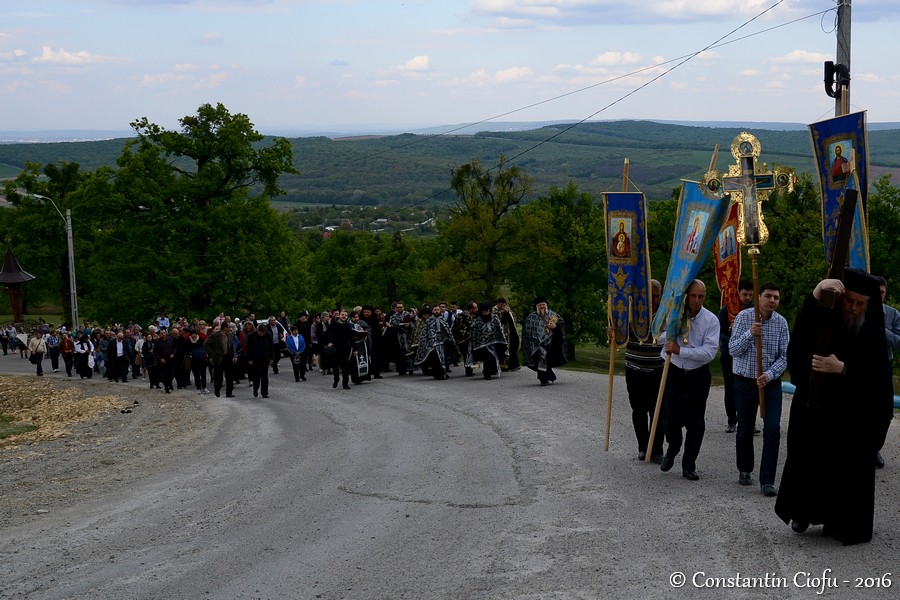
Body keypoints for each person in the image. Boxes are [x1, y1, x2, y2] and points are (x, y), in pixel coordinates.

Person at [775, 270, 894, 545]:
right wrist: (815, 294)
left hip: (851, 418)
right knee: (809, 460)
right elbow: (801, 339)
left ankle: (839, 522)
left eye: (860, 304)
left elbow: (878, 379)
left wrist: (843, 368)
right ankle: (803, 513)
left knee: (846, 472)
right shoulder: (826, 318)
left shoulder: (872, 332)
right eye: (849, 301)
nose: (853, 308)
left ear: (869, 305)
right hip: (816, 409)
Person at [728, 282, 789, 496]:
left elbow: (784, 357)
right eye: (768, 296)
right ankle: (745, 468)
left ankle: (768, 479)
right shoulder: (744, 318)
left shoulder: (781, 323)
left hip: (770, 384)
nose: (772, 301)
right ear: (759, 297)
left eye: (776, 298)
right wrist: (749, 334)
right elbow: (732, 350)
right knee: (745, 427)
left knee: (772, 430)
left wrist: (769, 375)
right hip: (745, 381)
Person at [658, 279, 720, 481]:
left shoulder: (711, 320)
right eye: (693, 296)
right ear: (686, 296)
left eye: (700, 296)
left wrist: (681, 350)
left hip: (697, 375)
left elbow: (709, 352)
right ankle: (673, 447)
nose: (696, 300)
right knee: (670, 420)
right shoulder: (674, 314)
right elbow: (658, 334)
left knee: (696, 423)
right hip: (674, 371)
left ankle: (689, 463)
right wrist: (668, 338)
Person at [619, 279, 665, 463]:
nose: (654, 300)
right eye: (650, 296)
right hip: (635, 368)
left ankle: (657, 449)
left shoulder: (665, 313)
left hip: (658, 368)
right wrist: (613, 331)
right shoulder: (631, 312)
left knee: (658, 411)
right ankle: (642, 446)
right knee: (639, 409)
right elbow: (620, 335)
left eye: (656, 296)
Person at [719, 280, 754, 433]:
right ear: (738, 293)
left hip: (746, 355)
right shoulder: (727, 309)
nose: (747, 297)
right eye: (745, 294)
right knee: (730, 388)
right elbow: (719, 332)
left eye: (750, 295)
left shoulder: (754, 310)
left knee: (747, 389)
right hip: (728, 354)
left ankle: (746, 421)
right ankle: (732, 420)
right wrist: (733, 339)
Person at [874, 275, 899, 469]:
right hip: (857, 366)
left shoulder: (892, 314)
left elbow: (898, 341)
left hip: (882, 366)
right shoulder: (857, 310)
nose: (877, 295)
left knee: (885, 412)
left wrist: (881, 329)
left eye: (881, 293)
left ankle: (875, 446)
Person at [522, 297, 567, 386]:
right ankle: (543, 379)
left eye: (543, 304)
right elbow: (527, 333)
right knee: (541, 357)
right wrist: (535, 341)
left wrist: (555, 326)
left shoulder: (553, 314)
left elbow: (561, 324)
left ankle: (547, 376)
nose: (542, 306)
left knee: (547, 360)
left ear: (546, 305)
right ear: (536, 307)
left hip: (552, 344)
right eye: (540, 305)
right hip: (536, 345)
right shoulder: (531, 318)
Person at [414, 305, 456, 380]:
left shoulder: (442, 319)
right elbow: (424, 333)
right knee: (436, 360)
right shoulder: (429, 321)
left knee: (443, 358)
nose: (437, 311)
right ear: (432, 311)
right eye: (435, 310)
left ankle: (442, 373)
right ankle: (437, 373)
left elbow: (447, 331)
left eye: (438, 310)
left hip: (442, 343)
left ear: (440, 311)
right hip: (432, 344)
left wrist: (449, 339)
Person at [471, 302, 508, 380]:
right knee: (488, 357)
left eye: (487, 311)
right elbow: (475, 333)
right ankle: (486, 373)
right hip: (483, 343)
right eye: (484, 312)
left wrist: (502, 339)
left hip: (494, 341)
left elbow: (499, 329)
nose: (485, 313)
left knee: (494, 357)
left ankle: (492, 371)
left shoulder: (495, 318)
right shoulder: (477, 321)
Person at [323, 310, 354, 389]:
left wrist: (355, 349)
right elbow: (326, 334)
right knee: (335, 366)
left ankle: (345, 384)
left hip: (345, 349)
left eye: (345, 315)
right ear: (339, 316)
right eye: (342, 315)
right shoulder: (333, 324)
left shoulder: (348, 326)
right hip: (335, 348)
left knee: (345, 367)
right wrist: (328, 343)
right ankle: (336, 379)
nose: (344, 316)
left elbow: (352, 338)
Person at [205, 323, 236, 398]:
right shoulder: (216, 335)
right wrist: (212, 353)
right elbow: (206, 344)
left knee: (229, 376)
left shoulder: (229, 335)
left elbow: (232, 346)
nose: (230, 329)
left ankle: (229, 392)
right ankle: (217, 390)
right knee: (218, 376)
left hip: (228, 357)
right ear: (225, 328)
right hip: (218, 357)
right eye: (229, 327)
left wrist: (234, 356)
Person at [247, 322, 274, 398]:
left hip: (265, 359)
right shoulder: (251, 336)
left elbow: (271, 347)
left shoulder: (268, 335)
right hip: (255, 359)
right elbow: (248, 349)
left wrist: (271, 358)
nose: (262, 334)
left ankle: (264, 392)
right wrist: (249, 359)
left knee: (264, 376)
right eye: (260, 332)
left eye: (263, 332)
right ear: (257, 330)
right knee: (256, 376)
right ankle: (255, 389)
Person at [493, 298, 520, 371]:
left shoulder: (508, 309)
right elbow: (497, 321)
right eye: (501, 305)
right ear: (498, 304)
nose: (503, 306)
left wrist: (507, 312)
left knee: (513, 347)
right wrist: (502, 313)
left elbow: (513, 317)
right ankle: (504, 365)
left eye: (504, 305)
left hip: (511, 331)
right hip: (501, 334)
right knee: (504, 349)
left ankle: (514, 365)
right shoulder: (494, 311)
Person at [451, 301, 478, 377]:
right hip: (463, 339)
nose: (477, 310)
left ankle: (470, 369)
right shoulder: (462, 316)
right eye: (476, 308)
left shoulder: (472, 316)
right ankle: (468, 370)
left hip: (470, 339)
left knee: (470, 354)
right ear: (471, 309)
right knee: (466, 354)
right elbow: (456, 328)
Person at [185, 328, 209, 394]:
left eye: (195, 336)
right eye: (193, 337)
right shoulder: (188, 341)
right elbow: (186, 351)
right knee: (196, 375)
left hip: (202, 359)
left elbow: (205, 348)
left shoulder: (201, 339)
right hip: (193, 360)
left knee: (203, 374)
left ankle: (204, 387)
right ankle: (198, 388)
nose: (194, 338)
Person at [154, 328, 176, 393]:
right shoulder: (157, 342)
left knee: (172, 373)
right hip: (163, 361)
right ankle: (166, 388)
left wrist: (173, 354)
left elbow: (175, 347)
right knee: (165, 374)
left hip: (170, 359)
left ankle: (169, 383)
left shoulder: (170, 339)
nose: (163, 334)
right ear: (159, 334)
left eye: (164, 333)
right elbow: (155, 352)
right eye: (162, 333)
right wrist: (160, 359)